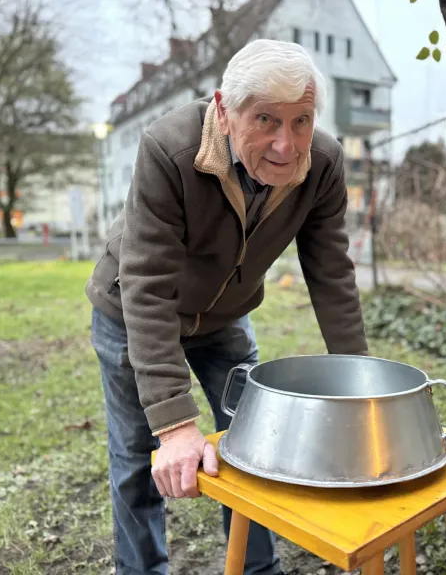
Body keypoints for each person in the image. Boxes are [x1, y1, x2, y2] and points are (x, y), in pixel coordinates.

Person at [86, 38, 369, 575]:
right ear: (223, 109)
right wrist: (173, 426)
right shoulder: (168, 148)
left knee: (254, 443)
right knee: (136, 457)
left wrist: (362, 382)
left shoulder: (325, 163)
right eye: (266, 119)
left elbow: (332, 274)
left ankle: (258, 569)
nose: (287, 145)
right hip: (133, 312)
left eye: (302, 121)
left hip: (224, 317)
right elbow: (147, 287)